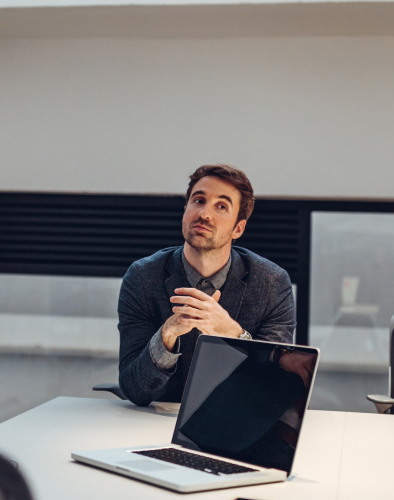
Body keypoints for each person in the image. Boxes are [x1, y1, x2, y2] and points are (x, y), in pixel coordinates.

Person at [117, 164, 295, 407]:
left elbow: (274, 387)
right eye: (198, 201)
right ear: (185, 210)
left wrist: (233, 334)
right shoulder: (142, 276)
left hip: (233, 423)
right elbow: (133, 389)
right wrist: (166, 336)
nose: (204, 214)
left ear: (238, 228)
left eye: (221, 206)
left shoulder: (272, 282)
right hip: (154, 425)